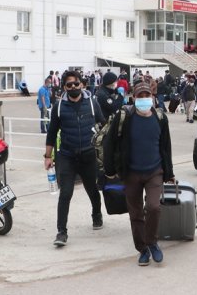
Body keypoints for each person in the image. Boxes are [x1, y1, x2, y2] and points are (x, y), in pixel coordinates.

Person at [104, 82, 175, 267]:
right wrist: (110, 170)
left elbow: (166, 146)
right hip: (131, 173)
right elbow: (109, 143)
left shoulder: (160, 117)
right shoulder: (124, 117)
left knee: (153, 207)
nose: (144, 99)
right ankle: (142, 250)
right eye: (140, 96)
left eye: (147, 95)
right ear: (133, 98)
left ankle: (152, 242)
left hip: (154, 171)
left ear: (152, 97)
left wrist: (169, 172)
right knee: (135, 214)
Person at [44, 70, 106, 247]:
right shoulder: (59, 107)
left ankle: (97, 214)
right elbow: (51, 133)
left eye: (76, 84)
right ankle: (61, 232)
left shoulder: (92, 103)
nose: (73, 87)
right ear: (64, 87)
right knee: (65, 193)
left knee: (92, 189)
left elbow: (103, 125)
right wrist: (47, 156)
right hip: (67, 156)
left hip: (88, 155)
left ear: (82, 84)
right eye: (69, 85)